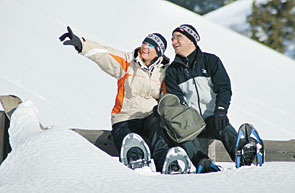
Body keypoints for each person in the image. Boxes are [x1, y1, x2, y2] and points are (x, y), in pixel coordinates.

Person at [59, 26, 170, 171]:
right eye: (145, 43)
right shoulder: (128, 62)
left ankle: (168, 164)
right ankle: (136, 163)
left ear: (158, 52)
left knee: (160, 134)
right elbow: (104, 54)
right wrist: (81, 44)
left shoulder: (164, 72)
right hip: (125, 118)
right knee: (128, 139)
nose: (145, 47)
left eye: (151, 45)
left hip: (149, 118)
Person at [163, 24, 238, 173]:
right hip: (190, 123)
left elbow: (224, 88)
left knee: (224, 127)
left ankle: (242, 156)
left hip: (212, 118)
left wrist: (221, 111)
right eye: (172, 38)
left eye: (178, 37)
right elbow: (175, 102)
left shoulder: (211, 61)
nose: (173, 42)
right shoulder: (172, 71)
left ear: (192, 40)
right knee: (179, 132)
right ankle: (203, 163)